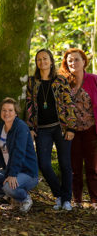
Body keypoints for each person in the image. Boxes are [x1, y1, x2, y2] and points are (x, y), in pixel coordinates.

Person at [26, 48, 76, 211]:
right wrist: (31, 126)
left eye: (45, 59)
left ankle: (67, 199)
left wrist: (70, 127)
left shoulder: (60, 80)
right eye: (39, 59)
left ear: (51, 61)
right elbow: (29, 105)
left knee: (65, 164)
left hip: (60, 127)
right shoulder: (33, 82)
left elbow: (69, 103)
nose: (42, 62)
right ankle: (59, 195)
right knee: (44, 164)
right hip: (42, 129)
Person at [0, 98, 39, 213]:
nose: (6, 113)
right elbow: (0, 150)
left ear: (16, 113)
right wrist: (5, 169)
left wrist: (13, 174)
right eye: (4, 110)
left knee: (8, 187)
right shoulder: (2, 127)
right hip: (9, 169)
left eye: (10, 110)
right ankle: (12, 196)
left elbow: (19, 152)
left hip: (27, 172)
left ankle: (24, 198)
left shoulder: (21, 127)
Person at [59, 48, 97, 208]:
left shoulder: (94, 79)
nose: (73, 63)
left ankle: (95, 200)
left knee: (93, 167)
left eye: (76, 59)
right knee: (74, 168)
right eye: (70, 61)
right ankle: (77, 200)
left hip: (91, 130)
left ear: (83, 61)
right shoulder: (64, 82)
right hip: (71, 131)